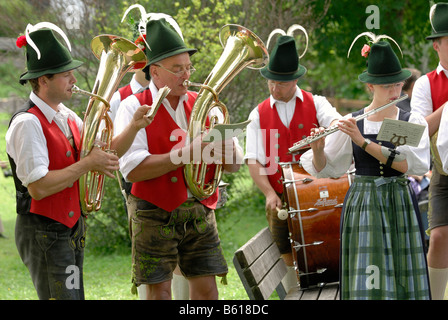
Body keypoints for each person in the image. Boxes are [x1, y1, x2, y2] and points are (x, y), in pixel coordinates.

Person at [6, 23, 153, 300]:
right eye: (66, 75)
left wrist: (134, 126)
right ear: (43, 80)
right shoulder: (27, 123)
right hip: (44, 230)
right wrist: (87, 164)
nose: (73, 80)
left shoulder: (67, 116)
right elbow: (38, 187)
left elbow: (107, 153)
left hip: (69, 227)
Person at [114, 17, 242, 300]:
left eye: (188, 67)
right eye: (177, 69)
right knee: (159, 292)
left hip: (198, 210)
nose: (187, 75)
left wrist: (228, 149)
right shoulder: (132, 106)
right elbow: (132, 170)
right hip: (152, 211)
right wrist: (188, 153)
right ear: (155, 72)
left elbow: (234, 165)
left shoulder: (202, 104)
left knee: (208, 290)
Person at [301, 34, 431, 299]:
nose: (395, 92)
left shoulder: (408, 120)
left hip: (398, 201)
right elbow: (328, 169)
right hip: (364, 203)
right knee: (367, 277)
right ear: (371, 86)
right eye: (388, 87)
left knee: (400, 274)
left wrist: (362, 142)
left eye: (398, 85)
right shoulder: (352, 121)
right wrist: (317, 150)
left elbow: (410, 165)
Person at [244, 30, 342, 290]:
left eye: (282, 83)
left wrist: (322, 140)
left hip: (317, 194)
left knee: (322, 251)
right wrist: (267, 193)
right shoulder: (258, 114)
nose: (275, 88)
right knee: (285, 253)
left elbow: (336, 124)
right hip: (279, 196)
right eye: (271, 82)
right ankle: (291, 294)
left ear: (296, 79)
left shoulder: (317, 103)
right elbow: (253, 160)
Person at [410, 2, 448, 300]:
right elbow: (415, 133)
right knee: (438, 236)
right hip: (443, 172)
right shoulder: (425, 84)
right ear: (437, 45)